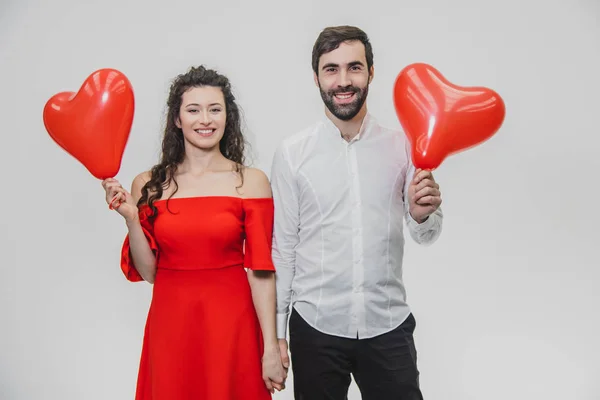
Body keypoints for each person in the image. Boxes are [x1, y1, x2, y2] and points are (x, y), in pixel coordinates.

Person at [271, 26, 444, 400]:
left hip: (387, 322)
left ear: (371, 72)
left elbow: (427, 235)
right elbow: (283, 249)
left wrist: (421, 215)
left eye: (354, 67)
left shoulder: (405, 145)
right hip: (315, 325)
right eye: (331, 69)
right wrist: (277, 336)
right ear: (316, 76)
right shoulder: (292, 153)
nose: (344, 80)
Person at [101, 65, 287, 400]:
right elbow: (150, 272)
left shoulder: (251, 181)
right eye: (193, 110)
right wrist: (131, 217)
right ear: (177, 119)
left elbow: (261, 271)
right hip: (171, 323)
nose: (205, 120)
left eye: (215, 109)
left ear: (227, 116)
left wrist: (271, 348)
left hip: (233, 323)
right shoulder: (148, 184)